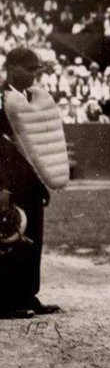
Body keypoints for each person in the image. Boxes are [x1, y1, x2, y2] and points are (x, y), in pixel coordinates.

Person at [0, 48, 65, 319]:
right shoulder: (1, 98)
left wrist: (41, 185)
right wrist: (2, 187)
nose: (33, 75)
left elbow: (38, 149)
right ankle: (5, 299)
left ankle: (28, 294)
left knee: (33, 237)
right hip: (8, 180)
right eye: (29, 69)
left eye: (36, 70)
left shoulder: (32, 99)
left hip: (30, 181)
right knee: (9, 239)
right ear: (12, 67)